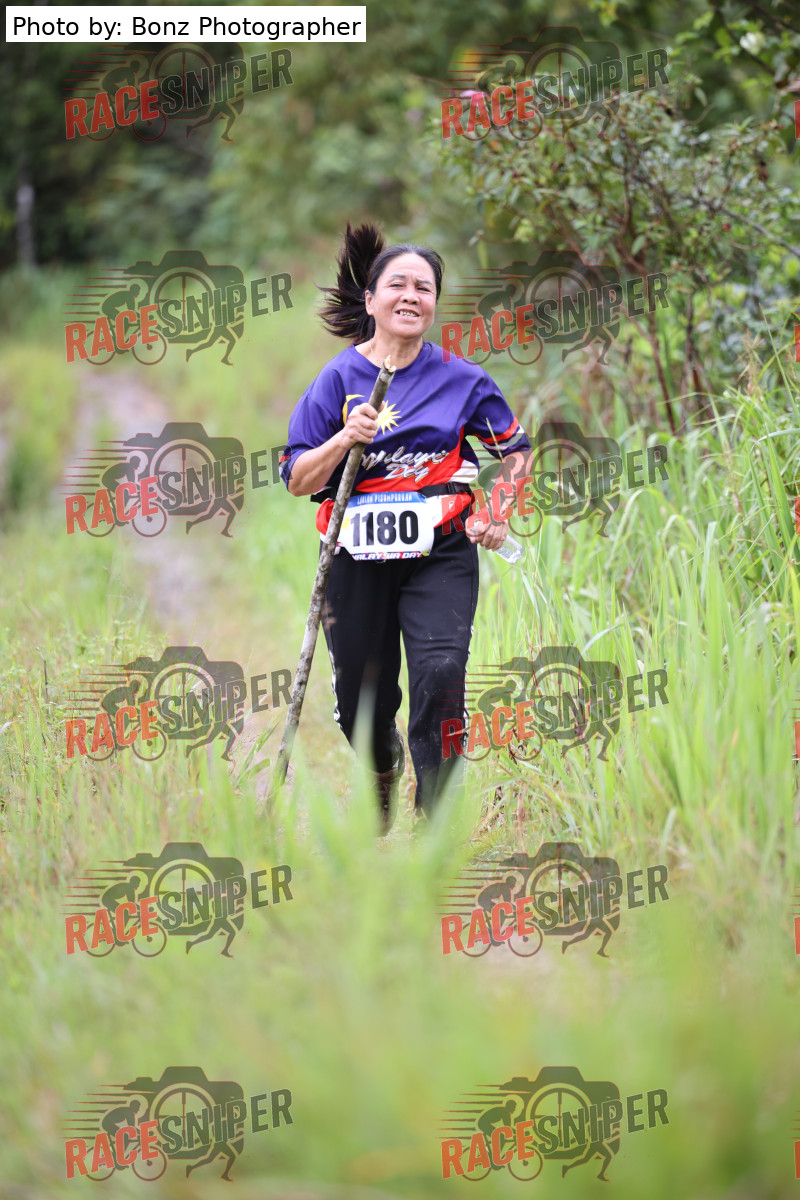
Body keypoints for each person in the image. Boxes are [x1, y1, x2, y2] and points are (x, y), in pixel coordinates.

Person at [280, 223, 530, 831]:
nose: (411, 296)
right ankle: (383, 765)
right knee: (358, 706)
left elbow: (515, 452)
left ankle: (434, 827)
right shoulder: (337, 381)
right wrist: (345, 438)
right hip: (353, 556)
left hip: (440, 552)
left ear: (435, 303)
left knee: (442, 675)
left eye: (424, 287)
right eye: (398, 285)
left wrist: (496, 512)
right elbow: (297, 479)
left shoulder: (462, 379)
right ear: (371, 301)